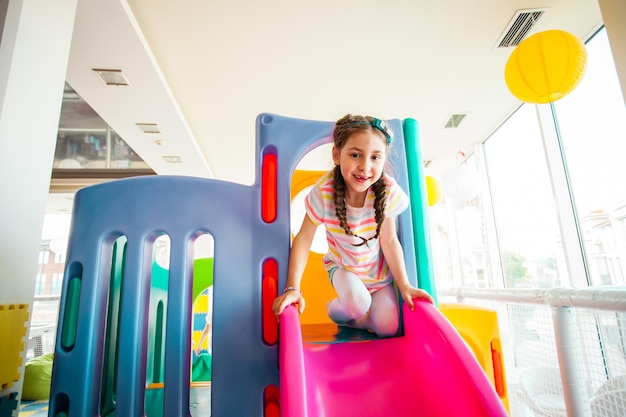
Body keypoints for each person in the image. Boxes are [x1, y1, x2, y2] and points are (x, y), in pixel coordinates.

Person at [272, 114, 433, 337]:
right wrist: (292, 288)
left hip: (377, 276)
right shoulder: (324, 191)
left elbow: (389, 240)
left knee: (388, 327)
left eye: (375, 157)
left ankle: (355, 321)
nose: (365, 167)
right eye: (355, 155)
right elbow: (303, 238)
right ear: (337, 155)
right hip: (343, 268)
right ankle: (337, 310)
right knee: (358, 301)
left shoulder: (385, 190)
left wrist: (404, 285)